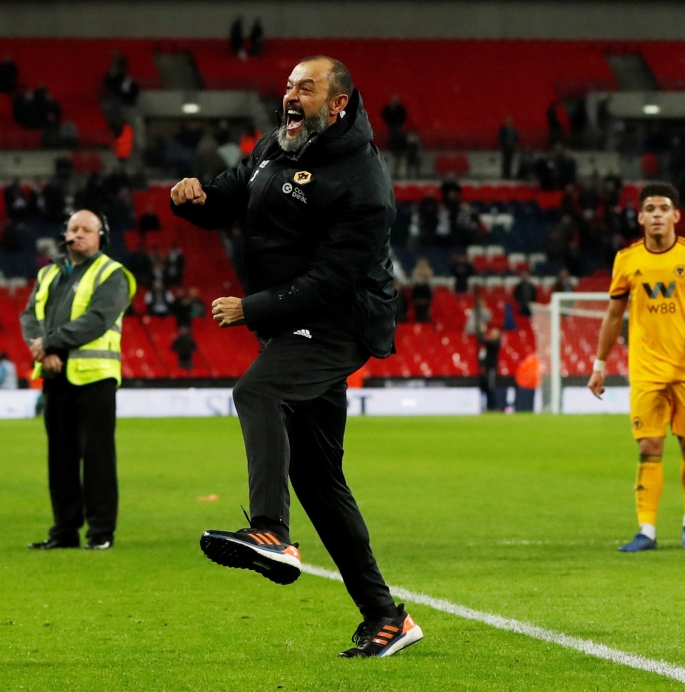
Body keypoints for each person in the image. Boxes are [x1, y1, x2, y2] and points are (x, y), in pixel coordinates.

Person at [170, 55, 422, 658]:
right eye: (288, 85)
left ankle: (270, 531)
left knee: (258, 391)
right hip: (293, 324)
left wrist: (252, 308)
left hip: (339, 322)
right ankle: (386, 618)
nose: (290, 95)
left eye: (305, 88)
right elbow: (230, 196)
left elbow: (334, 281)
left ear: (337, 104)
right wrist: (194, 198)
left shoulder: (364, 182)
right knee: (316, 477)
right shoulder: (276, 147)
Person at [588, 183, 685, 552]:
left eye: (663, 208)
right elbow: (613, 316)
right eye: (649, 209)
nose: (656, 215)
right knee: (649, 446)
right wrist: (599, 365)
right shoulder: (627, 259)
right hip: (646, 371)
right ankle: (647, 531)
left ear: (675, 216)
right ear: (640, 217)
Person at [20, 210, 135, 551]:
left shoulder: (112, 273)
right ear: (64, 233)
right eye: (74, 228)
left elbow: (98, 320)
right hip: (55, 373)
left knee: (97, 457)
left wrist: (49, 343)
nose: (79, 234)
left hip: (95, 377)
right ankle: (65, 531)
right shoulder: (48, 273)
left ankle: (101, 532)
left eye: (87, 229)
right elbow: (29, 315)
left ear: (102, 237)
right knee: (60, 457)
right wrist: (44, 349)